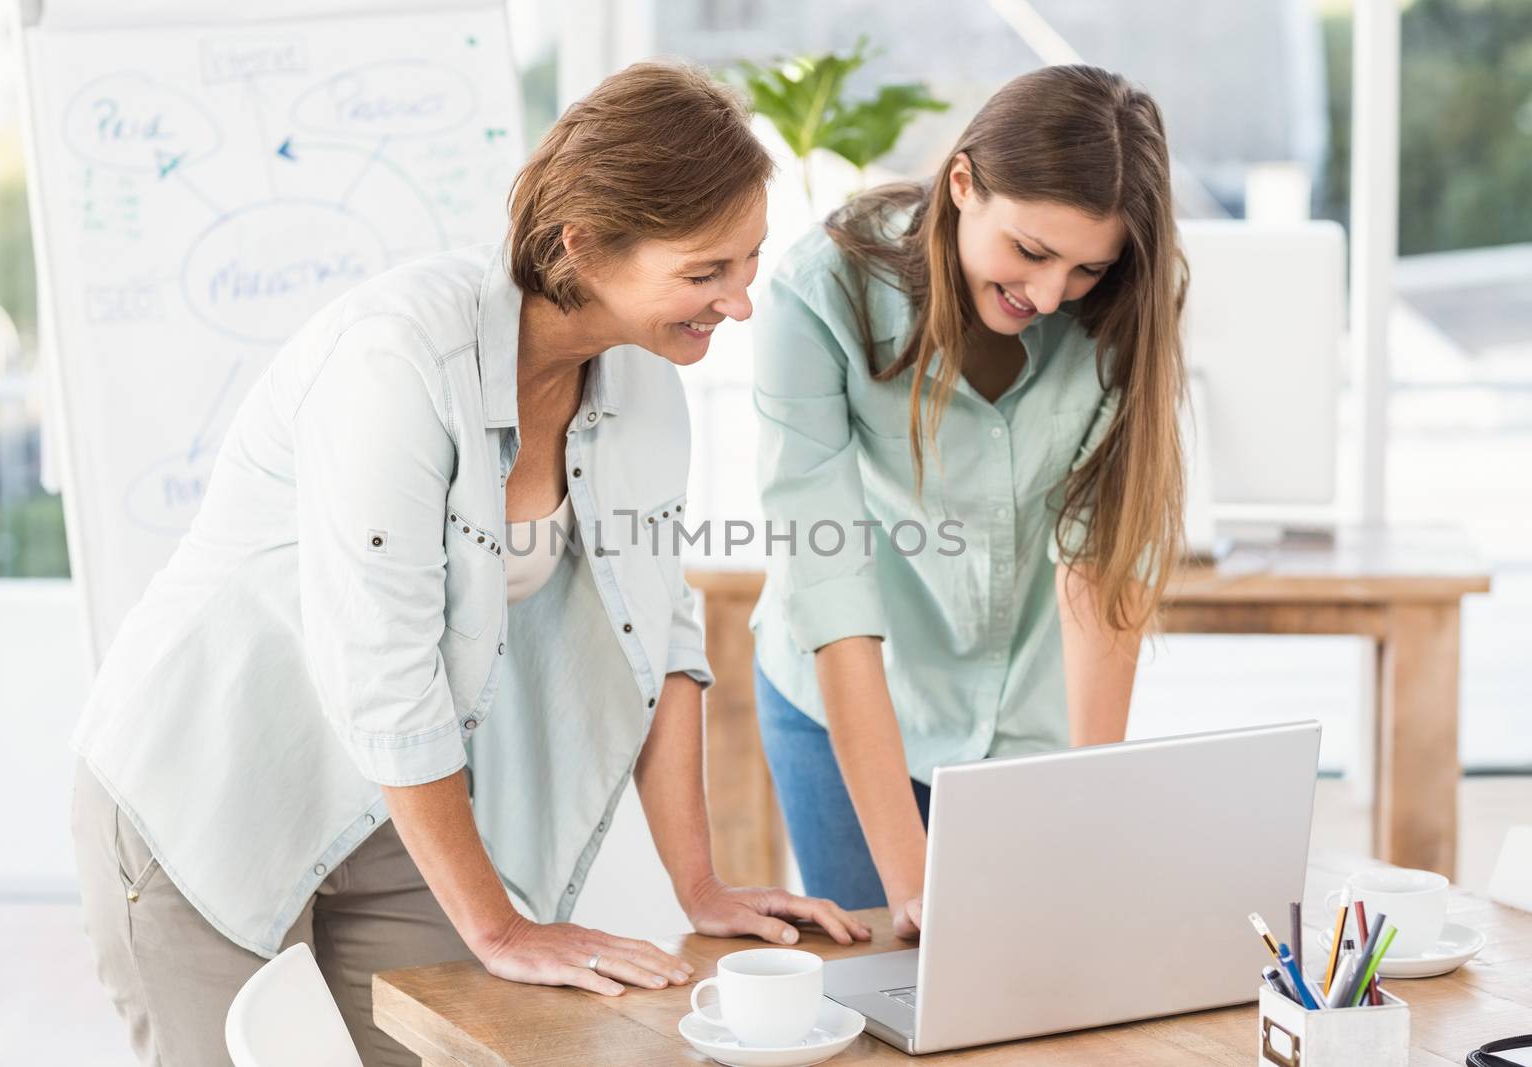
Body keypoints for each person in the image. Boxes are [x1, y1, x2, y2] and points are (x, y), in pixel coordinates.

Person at [71, 61, 869, 1067]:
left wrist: (700, 884)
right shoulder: (397, 359)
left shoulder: (646, 383)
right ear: (584, 243)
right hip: (211, 791)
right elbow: (384, 667)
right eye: (707, 271)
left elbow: (659, 635)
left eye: (749, 263)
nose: (740, 303)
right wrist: (497, 928)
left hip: (401, 811)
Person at [751, 63, 1188, 938]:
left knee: (1042, 976)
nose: (1051, 294)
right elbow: (829, 586)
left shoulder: (1124, 305)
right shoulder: (818, 292)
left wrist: (1093, 804)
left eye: (1086, 268)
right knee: (890, 983)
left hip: (1030, 716)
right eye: (1030, 251)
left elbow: (1101, 567)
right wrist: (912, 884)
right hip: (849, 698)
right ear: (962, 185)